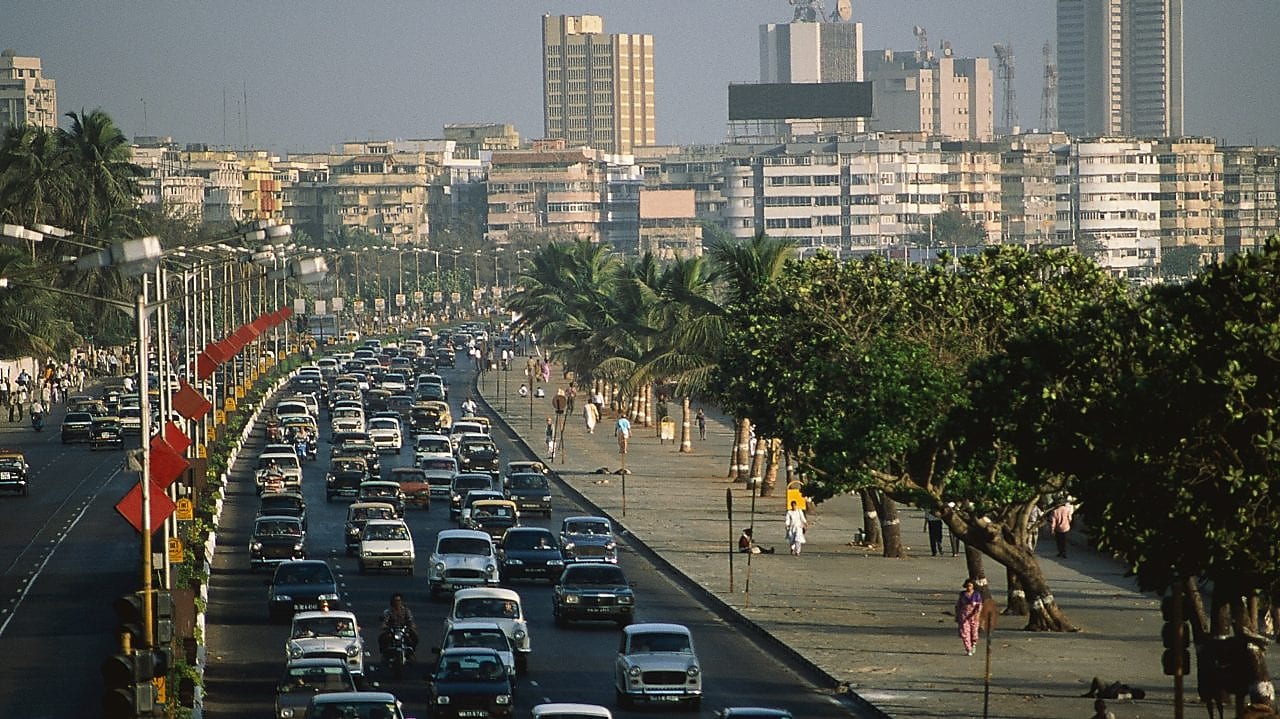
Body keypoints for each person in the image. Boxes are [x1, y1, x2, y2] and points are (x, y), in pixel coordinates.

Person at [379, 592, 418, 658]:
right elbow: (385, 620)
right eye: (395, 601)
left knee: (414, 636)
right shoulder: (388, 611)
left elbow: (410, 619)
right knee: (382, 638)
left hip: (404, 629)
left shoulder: (406, 610)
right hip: (392, 630)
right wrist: (384, 625)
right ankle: (385, 653)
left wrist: (412, 625)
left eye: (399, 600)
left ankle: (411, 651)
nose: (397, 602)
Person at [954, 578, 983, 656]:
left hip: (974, 615)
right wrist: (957, 615)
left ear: (973, 586)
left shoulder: (976, 594)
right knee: (965, 632)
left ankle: (973, 643)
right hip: (963, 615)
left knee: (974, 632)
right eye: (967, 586)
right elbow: (958, 605)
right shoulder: (962, 594)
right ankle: (968, 649)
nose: (968, 588)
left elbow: (979, 606)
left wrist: (977, 614)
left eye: (970, 586)